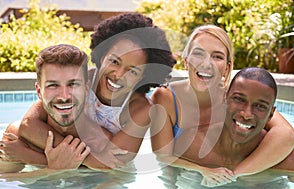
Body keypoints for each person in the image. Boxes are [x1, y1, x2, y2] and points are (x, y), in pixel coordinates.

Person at [10, 13, 175, 170]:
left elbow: (110, 164)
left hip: (104, 179)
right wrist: (68, 158)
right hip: (71, 161)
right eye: (114, 61)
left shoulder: (140, 110)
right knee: (13, 131)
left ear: (144, 76)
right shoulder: (79, 80)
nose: (118, 75)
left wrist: (30, 157)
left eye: (133, 71)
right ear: (102, 55)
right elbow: (28, 125)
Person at [150, 25, 294, 187]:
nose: (207, 63)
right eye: (199, 53)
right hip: (180, 173)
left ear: (227, 68)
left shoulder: (236, 98)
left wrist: (235, 173)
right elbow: (163, 155)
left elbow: (287, 136)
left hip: (229, 172)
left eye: (217, 57)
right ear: (186, 61)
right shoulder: (166, 97)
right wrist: (202, 170)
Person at [175, 67, 294, 187]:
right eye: (239, 99)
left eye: (260, 106)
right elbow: (169, 175)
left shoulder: (287, 160)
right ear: (224, 99)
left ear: (271, 114)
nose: (246, 114)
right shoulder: (191, 145)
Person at [0, 44, 93, 173]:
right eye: (53, 85)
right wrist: (53, 169)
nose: (64, 96)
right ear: (39, 91)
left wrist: (34, 159)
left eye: (73, 84)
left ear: (87, 89)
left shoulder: (100, 138)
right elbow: (7, 185)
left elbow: (118, 183)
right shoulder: (18, 138)